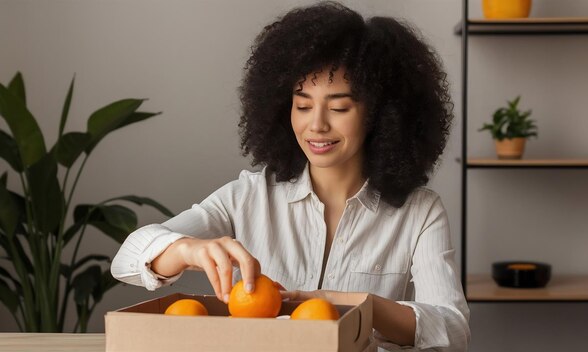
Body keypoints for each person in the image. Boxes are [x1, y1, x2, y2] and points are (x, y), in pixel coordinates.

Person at [111, 2, 470, 350]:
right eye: (302, 105)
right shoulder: (248, 198)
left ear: (381, 113)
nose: (316, 125)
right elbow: (126, 261)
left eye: (339, 107)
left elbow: (452, 330)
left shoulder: (420, 211)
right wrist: (186, 248)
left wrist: (346, 304)